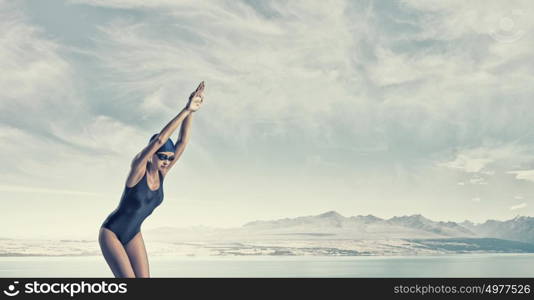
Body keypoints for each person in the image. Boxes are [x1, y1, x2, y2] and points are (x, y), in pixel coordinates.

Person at [98, 81, 205, 278]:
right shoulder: (138, 169)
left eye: (169, 158)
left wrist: (193, 112)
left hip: (133, 234)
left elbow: (182, 142)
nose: (166, 161)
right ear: (153, 155)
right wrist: (184, 110)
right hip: (111, 233)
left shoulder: (163, 173)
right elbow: (159, 140)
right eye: (162, 156)